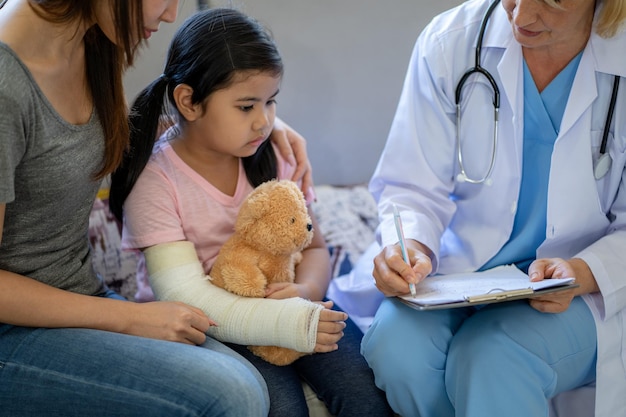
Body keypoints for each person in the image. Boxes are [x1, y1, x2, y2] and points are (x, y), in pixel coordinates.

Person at [0, 1, 319, 416]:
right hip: (15, 327)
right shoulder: (8, 82)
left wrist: (262, 123)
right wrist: (128, 319)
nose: (171, 14)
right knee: (234, 393)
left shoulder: (93, 39)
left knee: (244, 378)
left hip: (79, 295)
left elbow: (150, 121)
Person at [109, 8, 393, 417]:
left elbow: (314, 248)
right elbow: (181, 296)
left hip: (295, 303)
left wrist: (306, 292)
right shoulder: (156, 181)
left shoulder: (275, 154)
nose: (264, 121)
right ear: (188, 101)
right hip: (214, 327)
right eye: (246, 107)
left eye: (271, 102)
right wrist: (281, 320)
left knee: (366, 392)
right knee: (279, 407)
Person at [360, 0, 626, 416]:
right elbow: (411, 184)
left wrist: (586, 272)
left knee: (494, 356)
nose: (520, 17)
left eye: (551, 2)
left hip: (588, 288)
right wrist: (408, 244)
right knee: (395, 347)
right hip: (463, 276)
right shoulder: (451, 42)